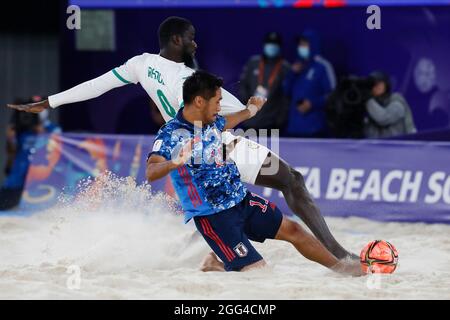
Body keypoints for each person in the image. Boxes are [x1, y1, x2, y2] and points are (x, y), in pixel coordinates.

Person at [6, 16, 355, 261]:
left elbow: (97, 86)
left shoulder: (140, 64)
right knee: (290, 181)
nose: (195, 41)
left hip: (197, 150)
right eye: (190, 37)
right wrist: (251, 108)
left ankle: (210, 257)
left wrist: (50, 102)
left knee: (230, 205)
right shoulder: (193, 77)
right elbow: (233, 115)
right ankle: (338, 254)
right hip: (217, 146)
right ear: (176, 40)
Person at [146, 70, 361, 275]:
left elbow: (227, 122)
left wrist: (251, 110)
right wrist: (175, 162)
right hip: (214, 217)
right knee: (258, 272)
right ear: (200, 101)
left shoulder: (210, 121)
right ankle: (218, 264)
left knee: (294, 231)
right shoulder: (170, 135)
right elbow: (151, 171)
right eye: (217, 101)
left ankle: (341, 268)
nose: (220, 107)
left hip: (242, 201)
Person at [1, 96, 61, 210]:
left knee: (36, 217)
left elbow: (58, 150)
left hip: (41, 182)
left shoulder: (53, 129)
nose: (33, 112)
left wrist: (42, 132)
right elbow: (11, 151)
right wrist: (10, 137)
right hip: (16, 179)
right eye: (32, 106)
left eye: (37, 106)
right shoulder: (21, 129)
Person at [283, 30, 336, 137]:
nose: (301, 47)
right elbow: (285, 91)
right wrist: (292, 74)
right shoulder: (296, 66)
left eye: (304, 44)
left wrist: (312, 103)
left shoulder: (323, 66)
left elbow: (333, 95)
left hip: (315, 129)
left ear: (313, 44)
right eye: (300, 44)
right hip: (294, 128)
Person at [239, 32, 290, 131]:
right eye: (269, 43)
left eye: (275, 44)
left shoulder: (285, 67)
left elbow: (286, 97)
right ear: (264, 45)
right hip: (249, 120)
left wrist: (280, 120)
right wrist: (246, 105)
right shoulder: (253, 63)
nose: (271, 46)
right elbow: (243, 86)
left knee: (271, 147)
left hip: (271, 123)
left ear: (279, 47)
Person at [364, 71, 417, 138]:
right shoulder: (372, 104)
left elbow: (383, 118)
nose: (377, 86)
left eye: (379, 83)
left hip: (399, 146)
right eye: (373, 84)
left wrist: (368, 100)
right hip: (377, 147)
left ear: (386, 84)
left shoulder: (397, 102)